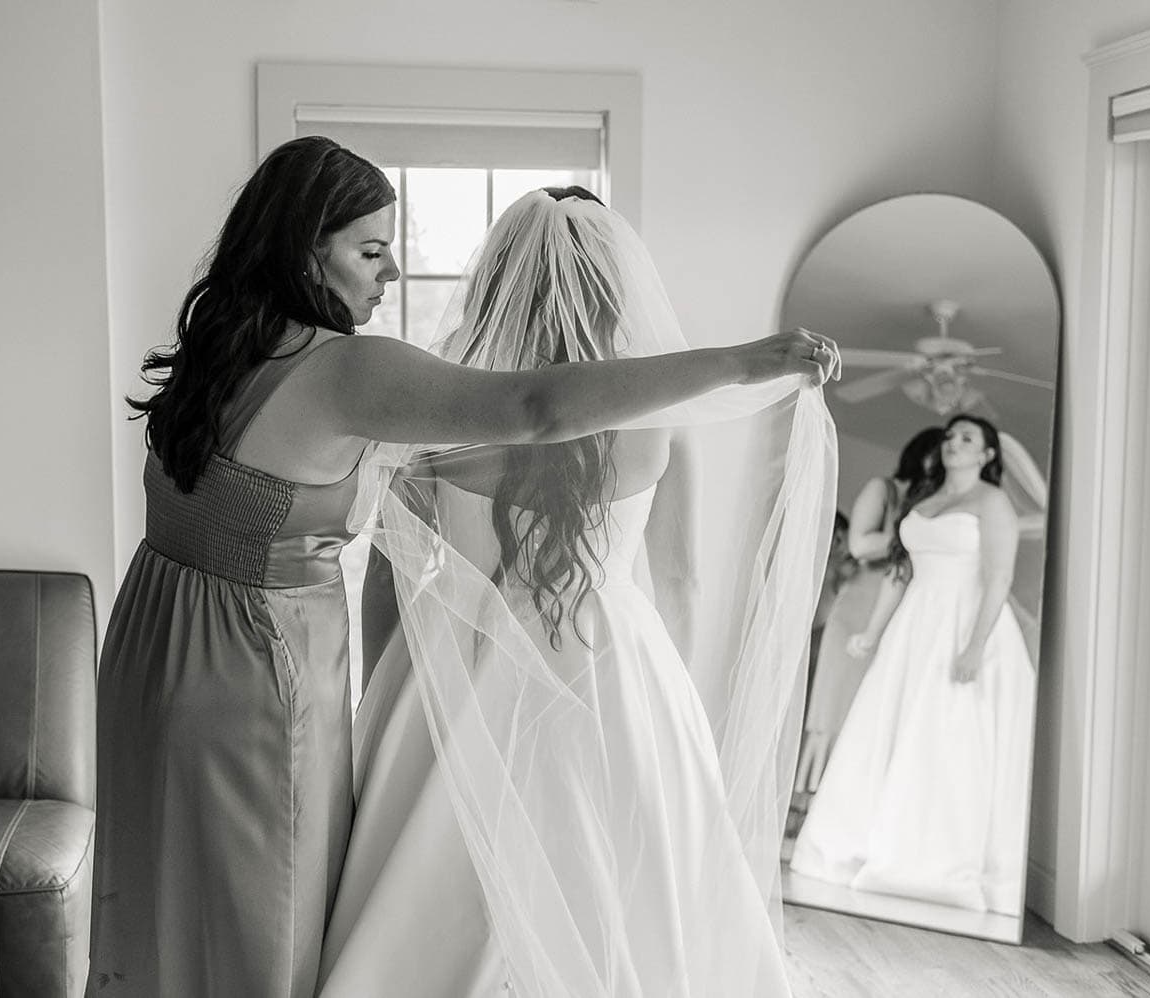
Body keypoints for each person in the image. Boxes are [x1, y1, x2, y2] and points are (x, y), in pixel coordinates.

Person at [87, 140, 840, 998]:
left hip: (155, 646)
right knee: (268, 906)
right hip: (263, 673)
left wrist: (384, 706)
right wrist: (743, 364)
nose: (394, 271)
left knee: (160, 879)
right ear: (305, 251)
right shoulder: (351, 370)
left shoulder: (216, 355)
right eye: (370, 251)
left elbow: (387, 579)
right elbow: (539, 414)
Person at [314, 187, 836, 997]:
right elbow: (682, 581)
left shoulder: (441, 415)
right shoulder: (663, 418)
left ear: (495, 284)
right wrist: (671, 705)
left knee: (437, 888)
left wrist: (383, 708)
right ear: (617, 290)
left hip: (458, 668)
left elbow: (388, 578)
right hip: (612, 669)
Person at [788, 415, 1035, 915]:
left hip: (965, 623)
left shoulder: (993, 503)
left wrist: (975, 646)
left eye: (968, 439)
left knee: (945, 735)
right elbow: (900, 572)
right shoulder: (925, 499)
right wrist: (873, 632)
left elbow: (998, 577)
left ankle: (930, 859)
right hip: (914, 626)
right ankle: (870, 843)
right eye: (950, 436)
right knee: (890, 729)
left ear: (988, 455)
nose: (954, 443)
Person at [792, 426, 944, 796]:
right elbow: (860, 543)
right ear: (923, 454)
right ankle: (810, 797)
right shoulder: (885, 490)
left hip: (897, 616)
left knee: (875, 707)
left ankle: (855, 793)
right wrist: (916, 535)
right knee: (834, 705)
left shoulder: (935, 505)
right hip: (857, 610)